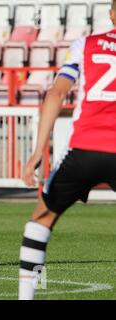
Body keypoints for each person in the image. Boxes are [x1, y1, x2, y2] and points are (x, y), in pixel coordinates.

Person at [18, 1, 116, 300]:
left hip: (84, 148)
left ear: (111, 14)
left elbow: (56, 92)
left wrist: (38, 151)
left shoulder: (84, 44)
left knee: (41, 219)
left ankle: (25, 297)